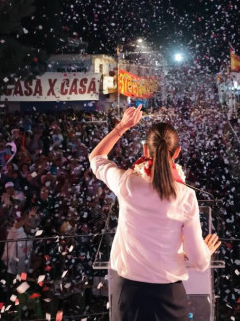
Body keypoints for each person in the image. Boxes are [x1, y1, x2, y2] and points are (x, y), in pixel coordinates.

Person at [88, 104, 221, 320]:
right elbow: (198, 260)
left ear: (145, 151)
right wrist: (205, 251)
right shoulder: (185, 195)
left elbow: (96, 158)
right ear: (177, 153)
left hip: (128, 296)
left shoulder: (126, 183)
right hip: (169, 299)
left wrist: (122, 127)